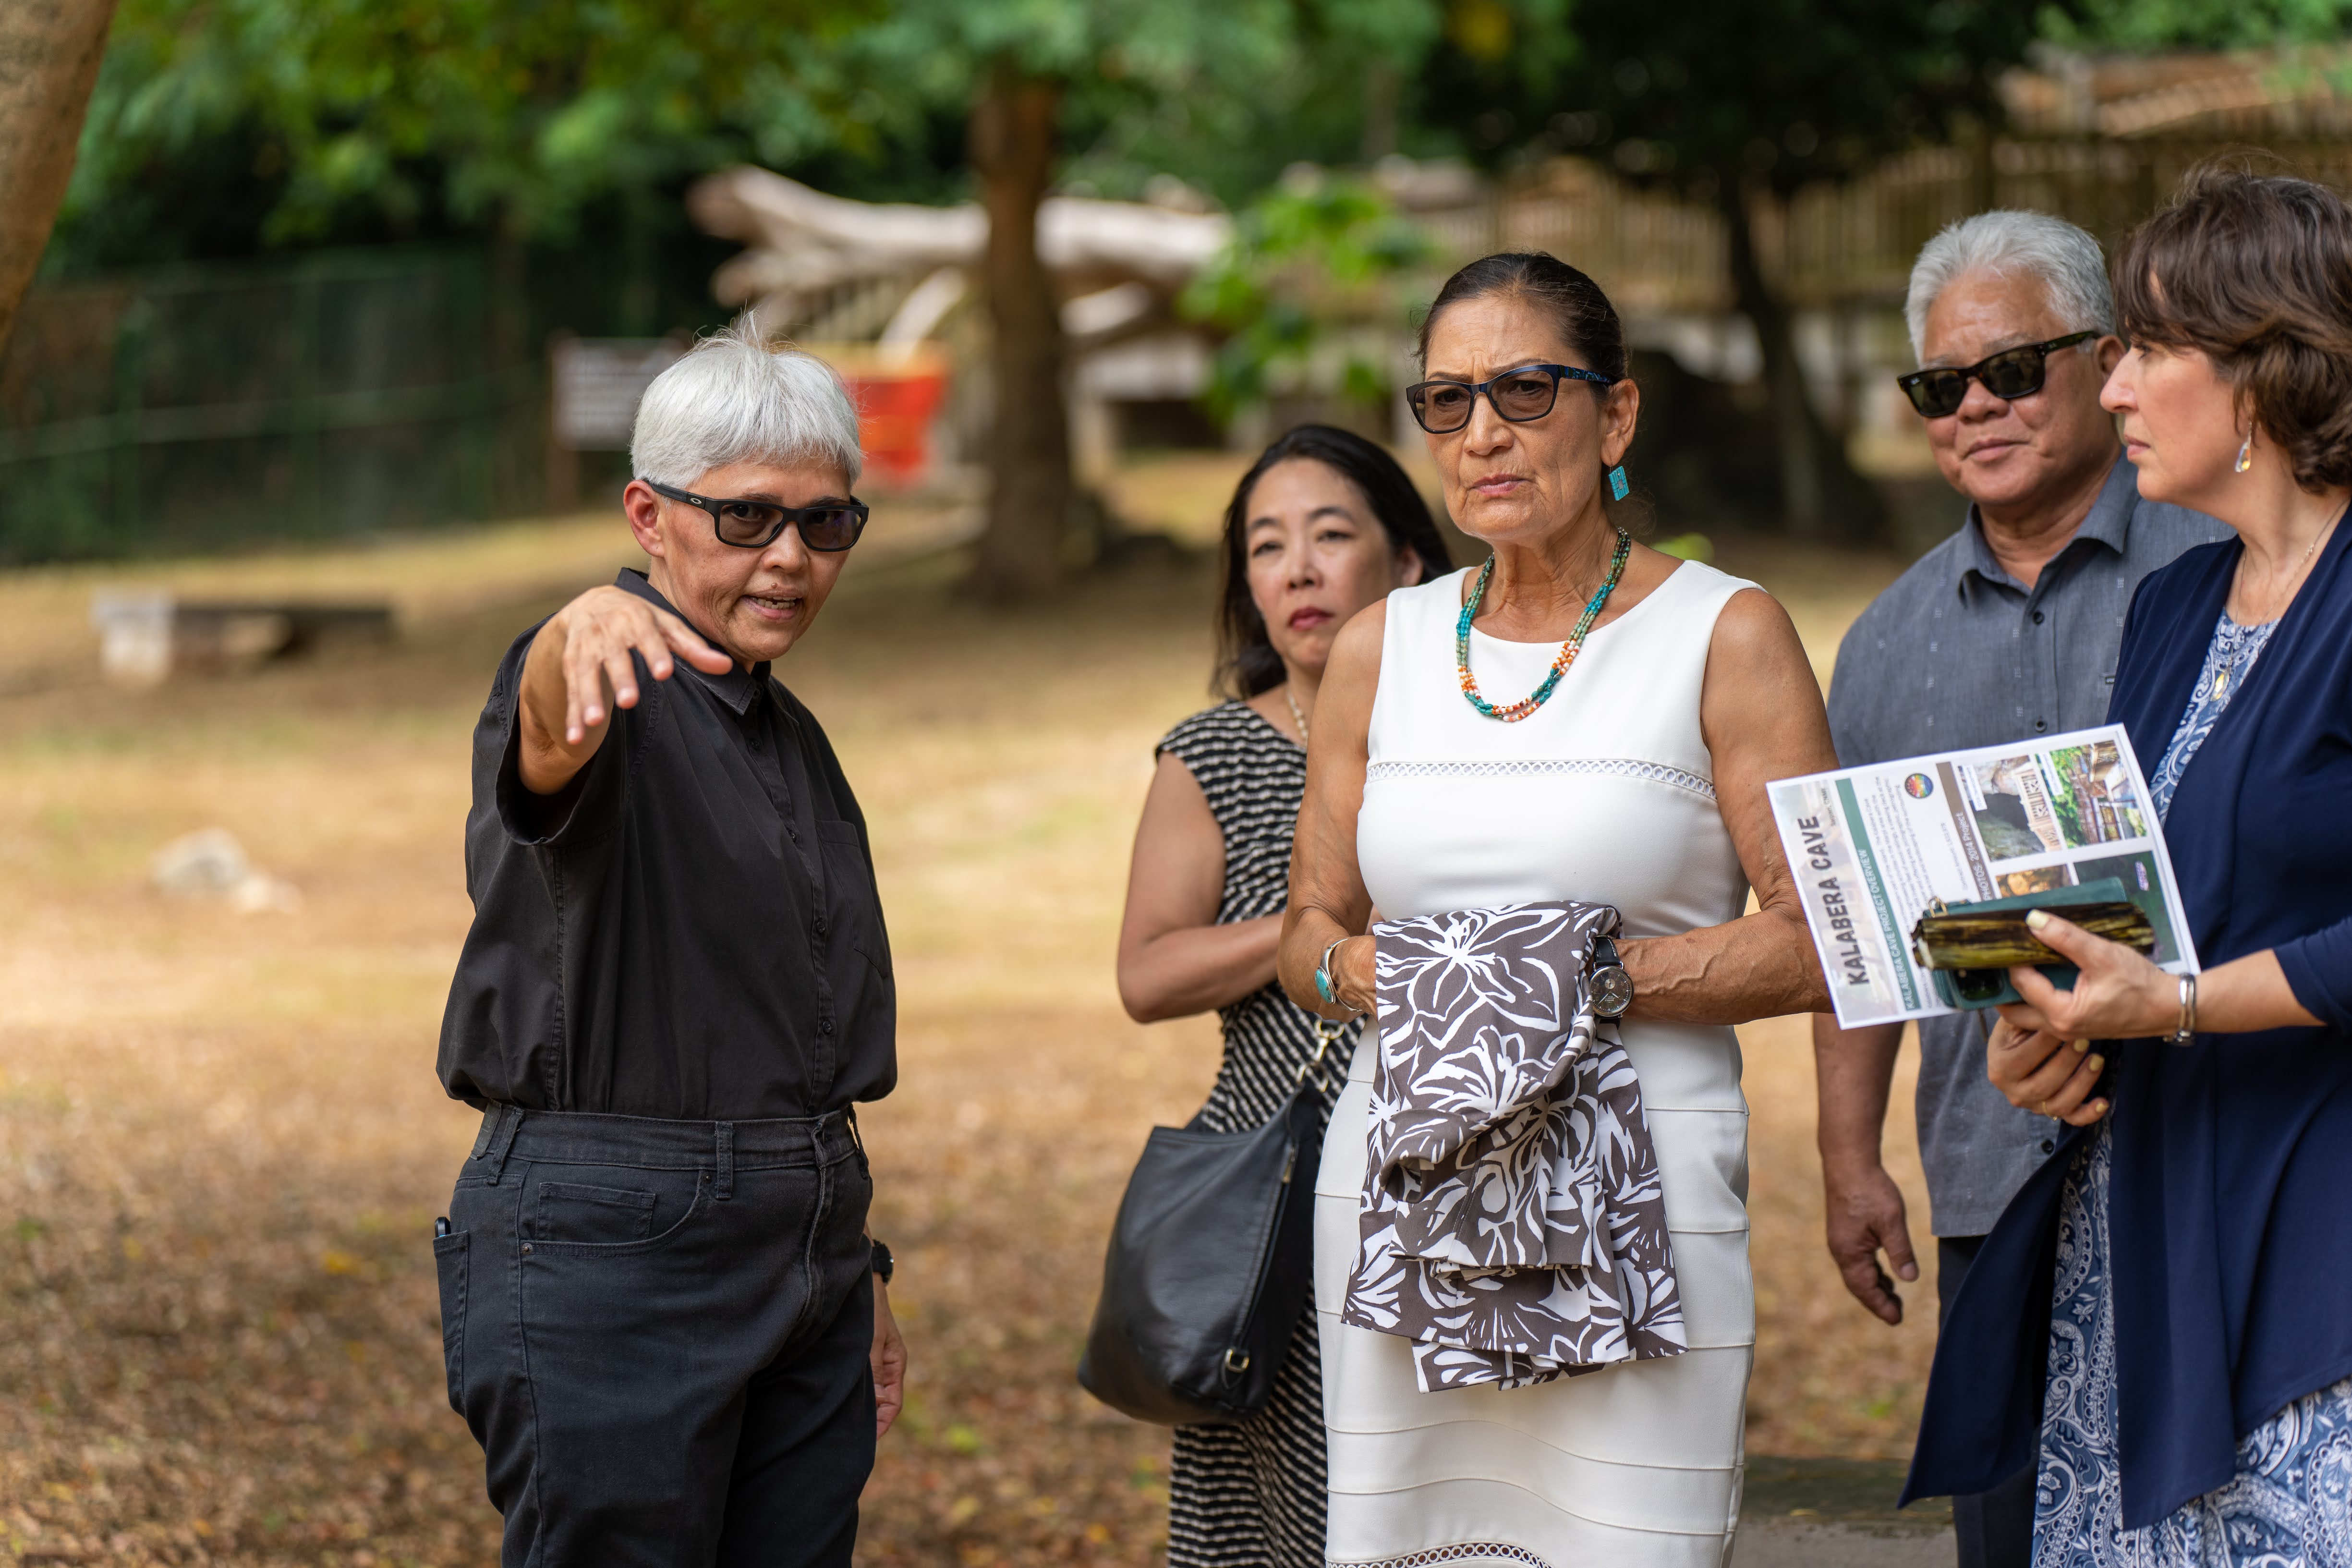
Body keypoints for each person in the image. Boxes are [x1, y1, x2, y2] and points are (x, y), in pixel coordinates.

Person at [1279, 252, 1836, 1565]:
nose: (1482, 434)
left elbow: (1821, 938)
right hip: (1401, 1182)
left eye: (1526, 391)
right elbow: (1308, 930)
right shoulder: (1381, 647)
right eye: (1446, 400)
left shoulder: (1728, 632)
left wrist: (1550, 982)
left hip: (1652, 1186)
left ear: (1617, 415)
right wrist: (1384, 981)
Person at [1904, 163, 2352, 1563]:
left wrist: (2172, 1007)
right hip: (2144, 1216)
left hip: (2317, 1222)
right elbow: (2139, 900)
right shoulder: (2170, 609)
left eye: (2148, 350)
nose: (2112, 390)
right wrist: (2049, 1032)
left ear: (2265, 369)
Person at [432, 317, 906, 1567]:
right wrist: (567, 633)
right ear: (650, 518)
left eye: (827, 522)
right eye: (746, 519)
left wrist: (850, 1271)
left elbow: (785, 1035)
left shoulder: (785, 731)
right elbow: (545, 739)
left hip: (803, 1251)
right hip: (613, 1252)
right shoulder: (612, 686)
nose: (791, 556)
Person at [1811, 211, 2227, 1568]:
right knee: (2012, 1540)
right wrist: (1845, 1155)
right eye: (1941, 386)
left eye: (2012, 369)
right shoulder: (1882, 645)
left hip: (2217, 1151)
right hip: (1994, 1170)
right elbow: (1859, 931)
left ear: (2107, 360)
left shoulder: (2226, 571)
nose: (1975, 407)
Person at [1116, 425, 1450, 1568]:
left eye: (1329, 534)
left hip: (1466, 1177)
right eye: (1267, 547)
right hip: (1282, 1195)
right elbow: (1146, 973)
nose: (1298, 569)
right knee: (1293, 1522)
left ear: (1408, 562)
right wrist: (1312, 933)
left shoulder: (1474, 739)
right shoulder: (1212, 753)